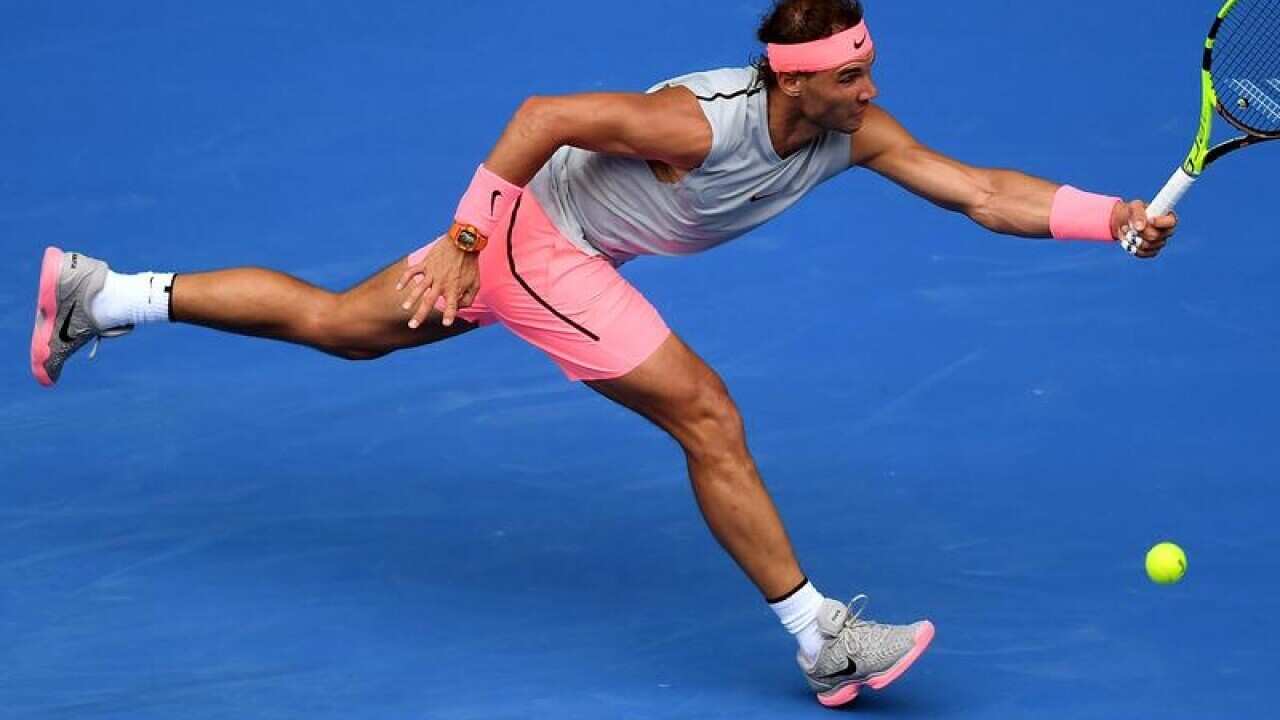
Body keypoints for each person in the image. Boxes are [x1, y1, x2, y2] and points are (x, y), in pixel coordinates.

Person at [28, 0, 1175, 707]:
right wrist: (471, 242)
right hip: (534, 243)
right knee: (706, 414)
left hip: (556, 246)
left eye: (866, 72)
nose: (868, 92)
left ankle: (104, 294)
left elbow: (978, 191)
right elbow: (540, 115)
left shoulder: (850, 134)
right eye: (847, 77)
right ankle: (822, 639)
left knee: (341, 326)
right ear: (792, 79)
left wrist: (1104, 210)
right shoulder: (697, 123)